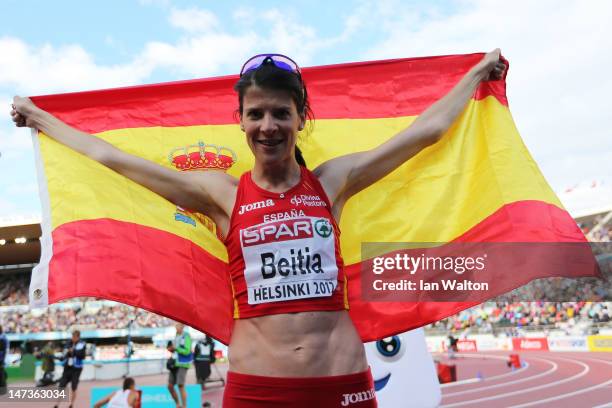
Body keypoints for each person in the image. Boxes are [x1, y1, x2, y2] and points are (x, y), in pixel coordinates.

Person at [11, 49, 506, 406]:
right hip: (259, 388)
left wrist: (478, 73)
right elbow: (110, 157)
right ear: (241, 122)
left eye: (280, 113)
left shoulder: (332, 182)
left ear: (300, 118)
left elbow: (427, 131)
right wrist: (40, 118)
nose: (268, 125)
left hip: (342, 381)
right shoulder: (220, 194)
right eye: (256, 114)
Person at [54, 330, 86, 408]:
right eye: (72, 336)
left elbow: (82, 355)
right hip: (67, 367)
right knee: (61, 386)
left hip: (77, 369)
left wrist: (73, 351)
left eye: (74, 336)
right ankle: (57, 404)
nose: (73, 338)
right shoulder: (69, 343)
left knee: (73, 387)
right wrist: (64, 355)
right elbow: (65, 352)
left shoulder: (82, 344)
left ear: (78, 337)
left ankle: (71, 404)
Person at [167, 323, 192, 408]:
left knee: (180, 385)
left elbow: (187, 351)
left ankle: (184, 406)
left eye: (177, 325)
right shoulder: (176, 336)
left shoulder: (186, 336)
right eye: (175, 326)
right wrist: (171, 349)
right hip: (174, 363)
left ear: (182, 326)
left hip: (183, 363)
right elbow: (176, 349)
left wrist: (176, 349)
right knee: (170, 386)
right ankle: (177, 404)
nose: (176, 327)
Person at [0, 325, 8, 395]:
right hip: (2, 359)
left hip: (0, 359)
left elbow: (2, 351)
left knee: (1, 373)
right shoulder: (3, 337)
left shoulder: (2, 338)